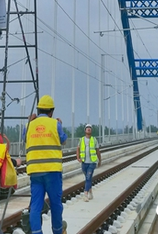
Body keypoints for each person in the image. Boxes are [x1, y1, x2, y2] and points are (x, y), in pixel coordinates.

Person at [25, 95, 67, 234]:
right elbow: (63, 140)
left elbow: (25, 138)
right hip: (52, 171)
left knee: (35, 206)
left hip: (35, 172)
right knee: (55, 205)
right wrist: (60, 124)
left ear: (38, 110)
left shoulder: (29, 125)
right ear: (51, 111)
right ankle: (57, 231)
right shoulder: (55, 124)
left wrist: (29, 122)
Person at [76, 124, 101, 201]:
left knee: (88, 177)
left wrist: (99, 160)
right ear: (85, 130)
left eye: (90, 128)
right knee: (88, 178)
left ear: (91, 130)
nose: (89, 129)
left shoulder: (94, 140)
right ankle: (90, 192)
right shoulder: (82, 140)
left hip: (92, 162)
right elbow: (78, 149)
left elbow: (97, 151)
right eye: (87, 128)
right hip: (84, 162)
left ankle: (85, 194)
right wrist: (78, 157)